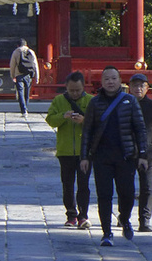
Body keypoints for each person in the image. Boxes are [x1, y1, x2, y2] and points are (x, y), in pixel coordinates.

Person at [79, 66, 149, 247]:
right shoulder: (95, 103)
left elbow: (140, 129)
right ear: (101, 82)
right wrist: (84, 157)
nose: (110, 82)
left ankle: (125, 218)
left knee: (127, 193)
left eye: (113, 79)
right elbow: (87, 131)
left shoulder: (130, 101)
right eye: (106, 79)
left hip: (126, 155)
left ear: (120, 81)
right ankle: (106, 232)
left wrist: (142, 154)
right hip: (102, 156)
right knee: (104, 195)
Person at [45, 71, 94, 230]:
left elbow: (98, 123)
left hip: (85, 152)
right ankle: (71, 215)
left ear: (83, 87)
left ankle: (83, 215)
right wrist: (63, 116)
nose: (74, 93)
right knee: (67, 184)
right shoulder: (59, 100)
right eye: (71, 90)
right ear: (66, 88)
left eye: (77, 90)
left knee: (83, 185)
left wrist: (83, 120)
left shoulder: (90, 101)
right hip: (65, 150)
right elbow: (50, 120)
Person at [128, 73, 152, 232]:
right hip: (127, 150)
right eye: (135, 85)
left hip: (147, 152)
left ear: (147, 88)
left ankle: (144, 220)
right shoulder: (124, 103)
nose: (138, 88)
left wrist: (147, 142)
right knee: (125, 187)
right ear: (129, 87)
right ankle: (124, 217)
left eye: (141, 85)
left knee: (147, 188)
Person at [9, 39, 38, 118]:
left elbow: (12, 65)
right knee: (27, 93)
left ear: (18, 45)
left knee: (20, 93)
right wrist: (37, 76)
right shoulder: (31, 51)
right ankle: (26, 108)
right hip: (28, 75)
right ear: (26, 44)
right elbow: (35, 64)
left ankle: (24, 110)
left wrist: (12, 76)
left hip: (19, 75)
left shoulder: (16, 52)